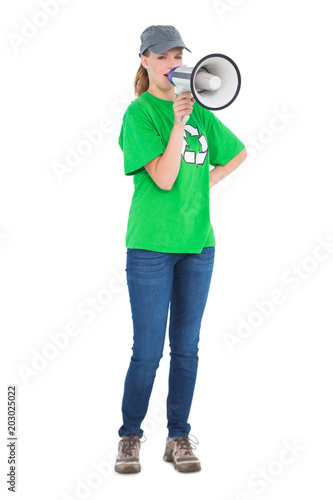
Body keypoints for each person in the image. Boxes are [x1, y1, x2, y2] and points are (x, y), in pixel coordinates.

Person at [115, 25, 247, 474]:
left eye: (178, 56)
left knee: (186, 349)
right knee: (148, 351)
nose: (173, 64)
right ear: (145, 62)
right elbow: (167, 177)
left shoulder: (203, 110)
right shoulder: (140, 115)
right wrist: (177, 122)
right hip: (151, 247)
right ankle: (130, 435)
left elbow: (237, 153)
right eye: (164, 57)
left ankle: (178, 436)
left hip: (198, 244)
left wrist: (206, 188)